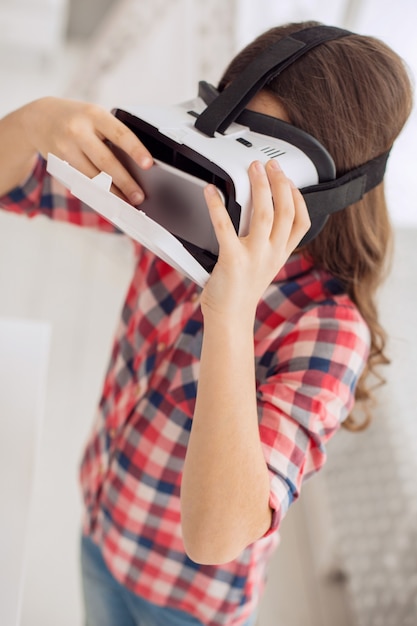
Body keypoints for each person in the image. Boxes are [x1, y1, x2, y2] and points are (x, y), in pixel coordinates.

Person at [0, 20, 413, 626]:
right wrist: (37, 118)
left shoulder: (327, 329)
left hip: (188, 606)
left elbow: (217, 538)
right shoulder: (181, 212)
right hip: (101, 523)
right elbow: (17, 186)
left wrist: (230, 312)